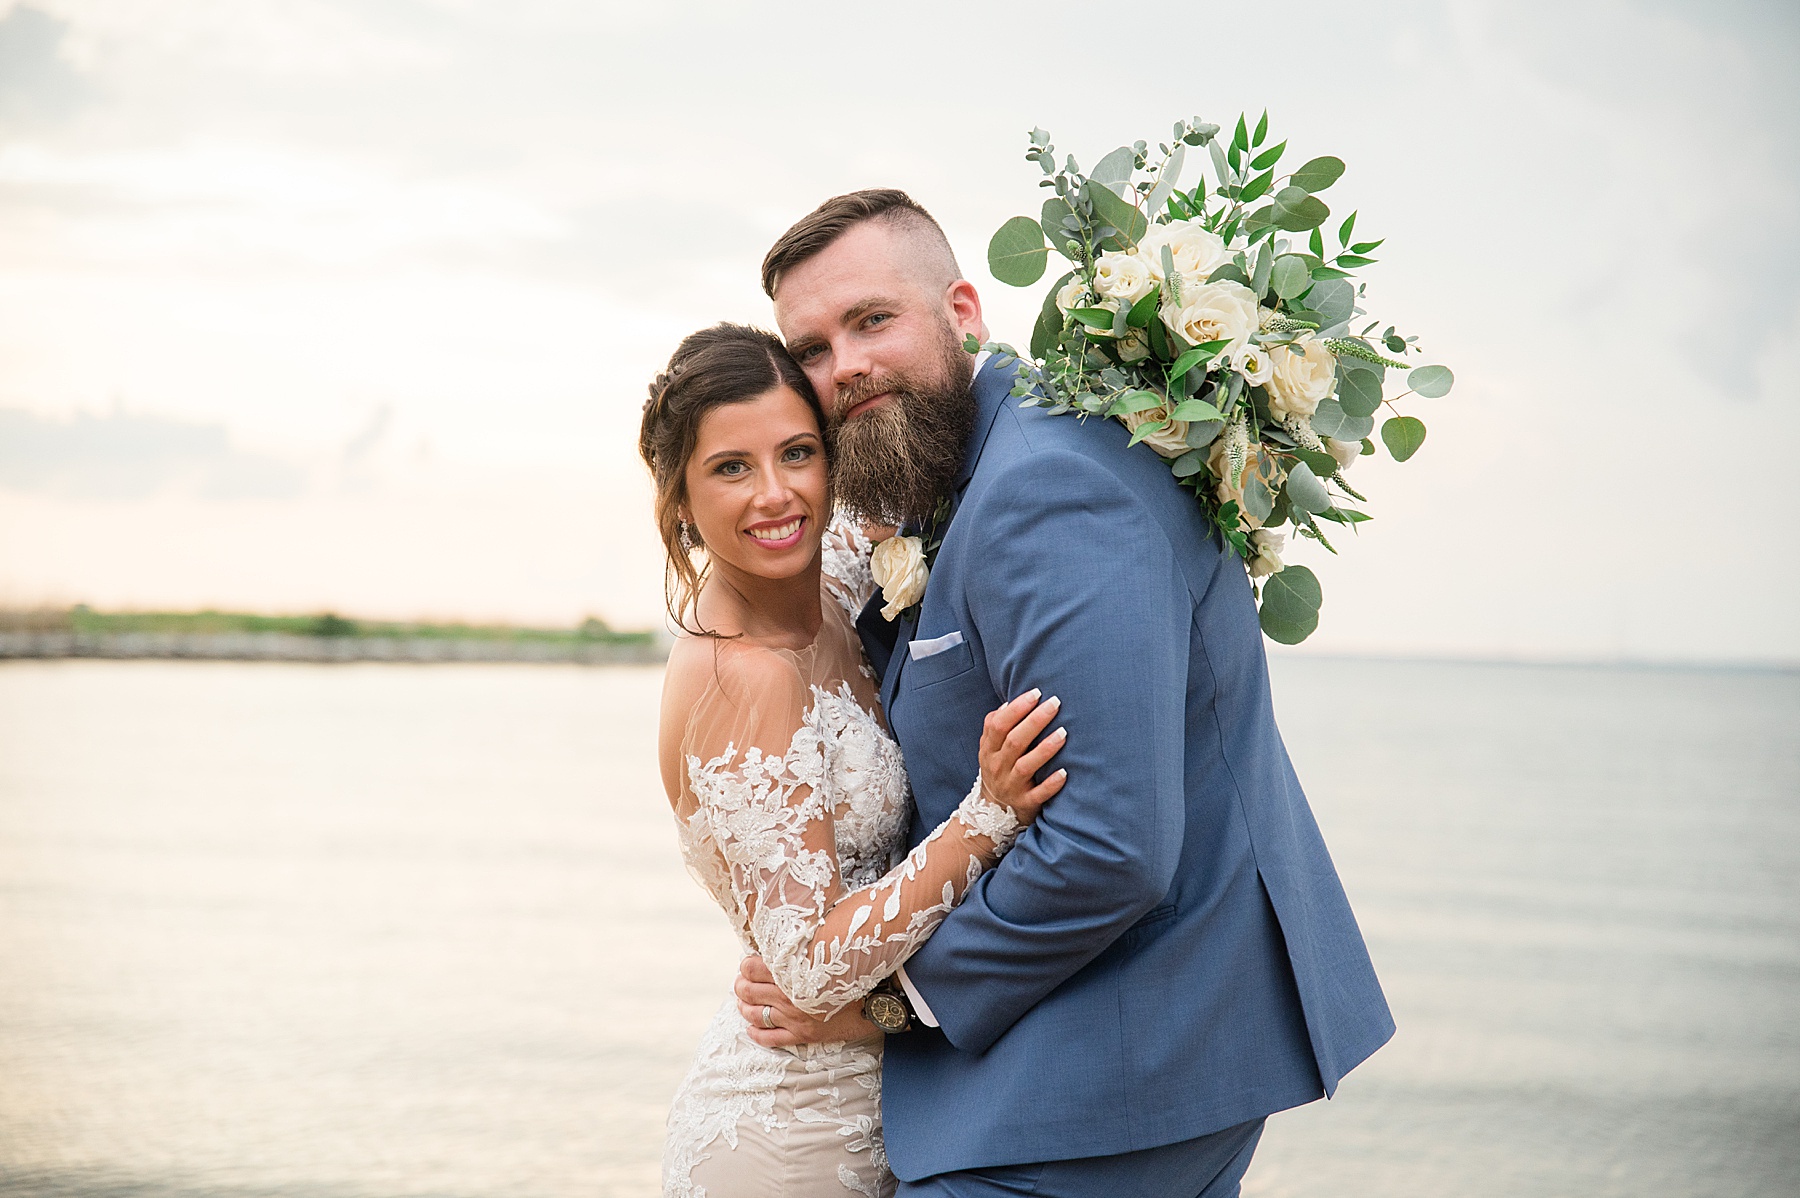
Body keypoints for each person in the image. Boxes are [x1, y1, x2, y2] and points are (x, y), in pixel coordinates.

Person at [734, 190, 1396, 1197]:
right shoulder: (963, 470)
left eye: (872, 319)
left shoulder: (1046, 486)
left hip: (1106, 1075)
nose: (846, 364)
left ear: (964, 311)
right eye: (813, 349)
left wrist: (880, 1004)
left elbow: (1107, 845)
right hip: (1103, 1069)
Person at [641, 322, 1069, 1198]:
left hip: (887, 1104)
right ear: (679, 497)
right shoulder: (744, 677)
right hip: (786, 1139)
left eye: (797, 452)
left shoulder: (827, 586)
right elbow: (802, 968)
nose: (776, 495)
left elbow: (909, 487)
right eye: (731, 468)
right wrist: (985, 817)